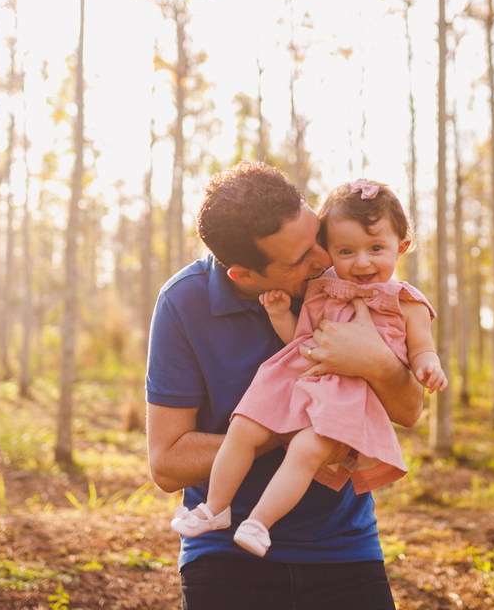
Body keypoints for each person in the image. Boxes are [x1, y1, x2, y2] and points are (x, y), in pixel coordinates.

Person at [146, 162, 425, 610]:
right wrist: (297, 427)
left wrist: (376, 364)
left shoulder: (349, 280)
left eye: (317, 237)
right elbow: (167, 464)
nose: (322, 260)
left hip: (344, 545)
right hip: (226, 551)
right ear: (245, 275)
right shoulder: (184, 303)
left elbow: (410, 410)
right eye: (300, 260)